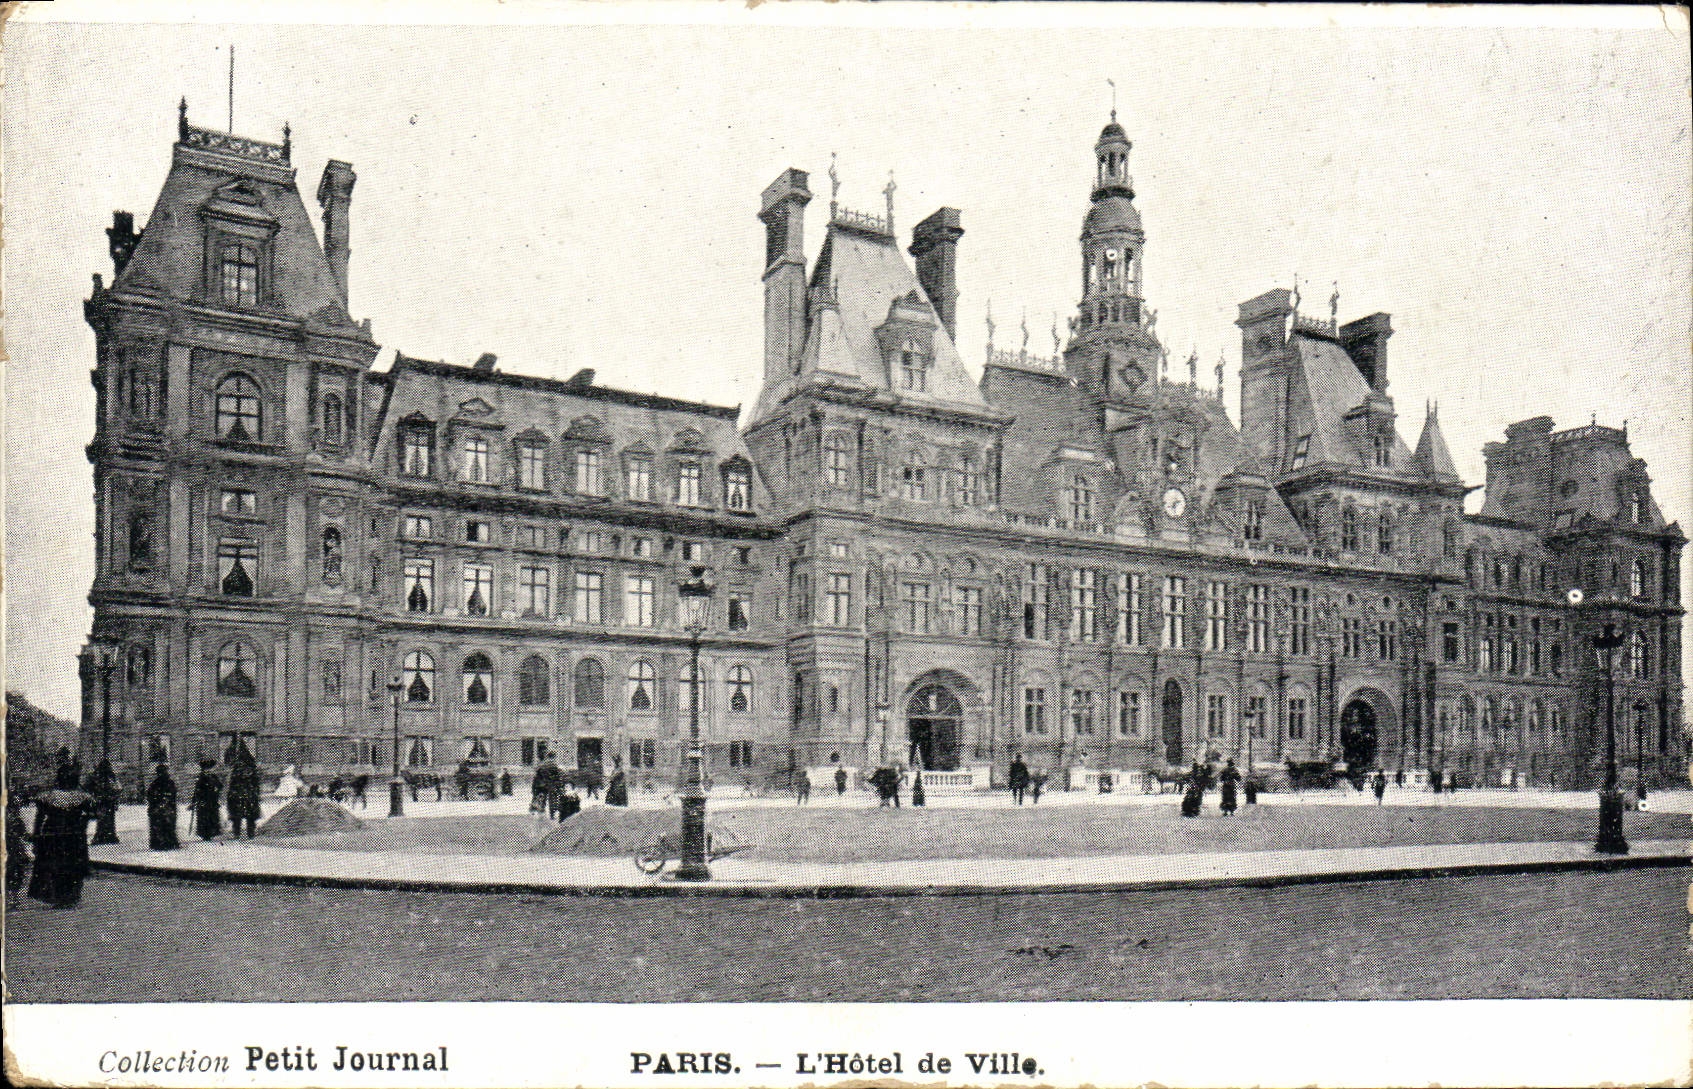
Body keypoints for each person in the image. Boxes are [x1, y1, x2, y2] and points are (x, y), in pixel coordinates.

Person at [28, 765, 95, 908]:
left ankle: (59, 896)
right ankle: (72, 896)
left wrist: (36, 837)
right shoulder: (82, 797)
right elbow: (92, 814)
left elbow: (39, 819)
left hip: (53, 834)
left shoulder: (48, 797)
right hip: (74, 834)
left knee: (55, 865)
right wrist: (82, 824)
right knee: (73, 864)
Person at [227, 747, 262, 839]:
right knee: (250, 815)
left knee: (237, 816)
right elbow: (256, 784)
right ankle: (250, 833)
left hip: (238, 795)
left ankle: (237, 833)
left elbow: (232, 784)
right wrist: (256, 793)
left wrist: (231, 794)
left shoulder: (236, 770)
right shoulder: (252, 770)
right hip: (249, 795)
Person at [87, 758, 121, 846]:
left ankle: (102, 837)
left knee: (102, 819)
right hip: (108, 800)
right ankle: (109, 836)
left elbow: (88, 787)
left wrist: (94, 795)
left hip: (102, 800)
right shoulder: (111, 775)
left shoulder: (97, 775)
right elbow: (118, 788)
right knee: (109, 819)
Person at [145, 763, 179, 851]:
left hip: (163, 808)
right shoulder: (163, 783)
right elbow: (150, 795)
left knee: (163, 825)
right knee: (165, 825)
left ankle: (162, 843)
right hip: (164, 808)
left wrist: (159, 801)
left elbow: (172, 794)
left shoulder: (156, 783)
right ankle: (166, 843)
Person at [6, 793, 31, 910]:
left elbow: (23, 833)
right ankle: (12, 899)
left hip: (15, 848)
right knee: (13, 873)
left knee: (16, 872)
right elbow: (23, 834)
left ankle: (13, 899)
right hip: (11, 848)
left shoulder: (16, 819)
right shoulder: (13, 818)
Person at [191, 758, 222, 841]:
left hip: (212, 800)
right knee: (203, 817)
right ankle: (205, 834)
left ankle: (212, 832)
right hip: (203, 800)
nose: (208, 770)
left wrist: (216, 790)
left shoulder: (213, 777)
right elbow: (196, 790)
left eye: (209, 768)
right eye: (206, 769)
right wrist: (194, 801)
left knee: (212, 816)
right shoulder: (200, 777)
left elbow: (220, 786)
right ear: (203, 769)